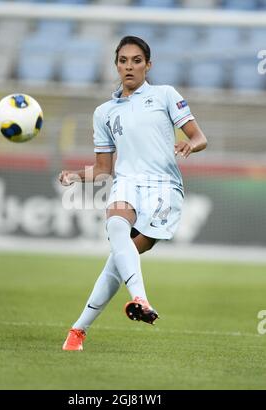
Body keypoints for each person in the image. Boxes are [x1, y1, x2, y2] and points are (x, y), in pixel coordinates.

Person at [59, 36, 207, 351]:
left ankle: (77, 331)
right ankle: (140, 299)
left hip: (164, 188)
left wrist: (188, 144)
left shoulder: (165, 95)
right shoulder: (104, 112)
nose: (129, 66)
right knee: (115, 225)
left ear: (148, 65)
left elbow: (199, 137)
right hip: (127, 182)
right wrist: (76, 175)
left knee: (118, 259)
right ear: (116, 65)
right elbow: (103, 168)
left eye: (136, 60)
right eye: (123, 60)